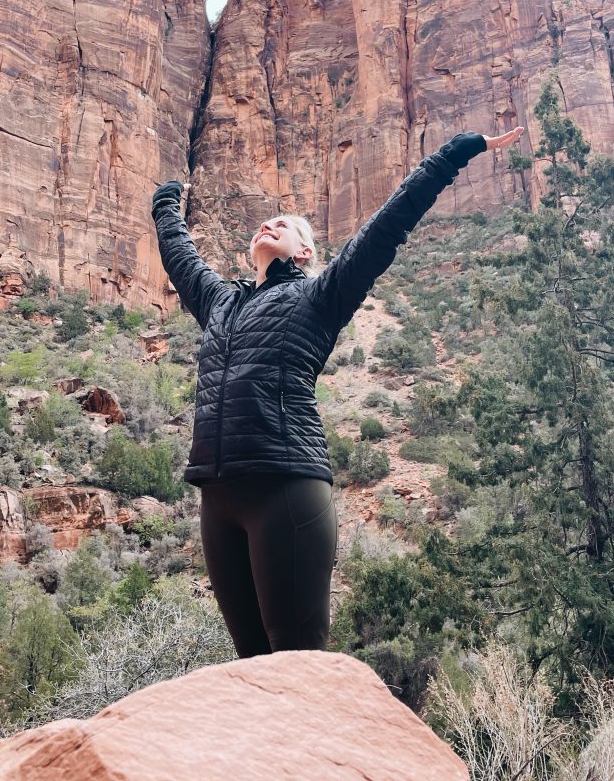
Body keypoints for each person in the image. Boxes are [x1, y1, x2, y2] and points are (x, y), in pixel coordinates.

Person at [151, 126, 525, 658]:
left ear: (305, 251)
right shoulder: (220, 304)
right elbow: (179, 255)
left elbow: (389, 222)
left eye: (286, 224)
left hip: (286, 487)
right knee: (252, 667)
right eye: (266, 220)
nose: (269, 223)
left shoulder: (320, 295)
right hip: (218, 498)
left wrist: (458, 151)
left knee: (297, 661)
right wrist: (166, 202)